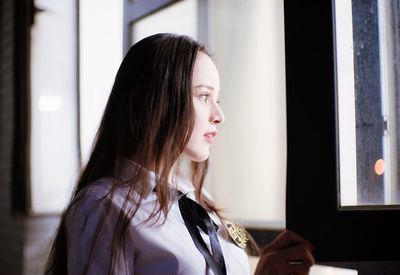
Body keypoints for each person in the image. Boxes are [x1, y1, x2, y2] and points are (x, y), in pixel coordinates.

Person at [45, 33, 314, 275]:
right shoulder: (104, 206)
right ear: (153, 101)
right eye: (203, 97)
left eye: (216, 99)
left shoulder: (195, 198)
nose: (219, 116)